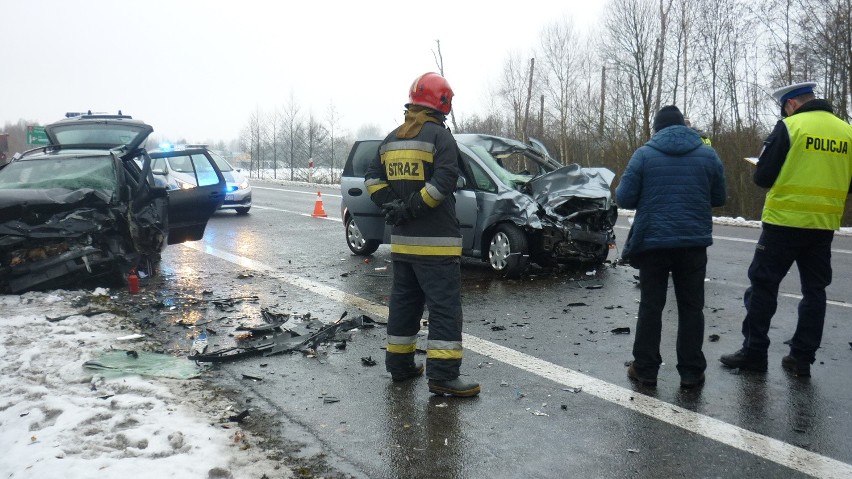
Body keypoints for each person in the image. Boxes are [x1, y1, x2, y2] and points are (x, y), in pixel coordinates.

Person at [720, 82, 852, 377]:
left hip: (783, 223)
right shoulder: (847, 132)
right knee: (815, 291)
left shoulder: (791, 127)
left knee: (763, 287)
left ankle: (754, 354)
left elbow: (764, 176)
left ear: (791, 104)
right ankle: (801, 358)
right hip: (823, 225)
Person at [364, 72, 480, 397]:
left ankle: (400, 367)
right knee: (444, 309)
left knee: (404, 306)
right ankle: (443, 376)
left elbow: (372, 179)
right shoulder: (440, 138)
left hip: (403, 246)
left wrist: (395, 206)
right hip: (437, 246)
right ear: (441, 103)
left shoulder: (390, 139)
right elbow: (444, 182)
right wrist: (411, 206)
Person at [617, 105, 727, 389]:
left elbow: (625, 198)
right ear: (684, 126)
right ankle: (691, 372)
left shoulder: (644, 154)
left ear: (656, 128)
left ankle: (645, 370)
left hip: (653, 242)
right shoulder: (707, 154)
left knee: (651, 306)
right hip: (693, 243)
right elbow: (719, 196)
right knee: (692, 308)